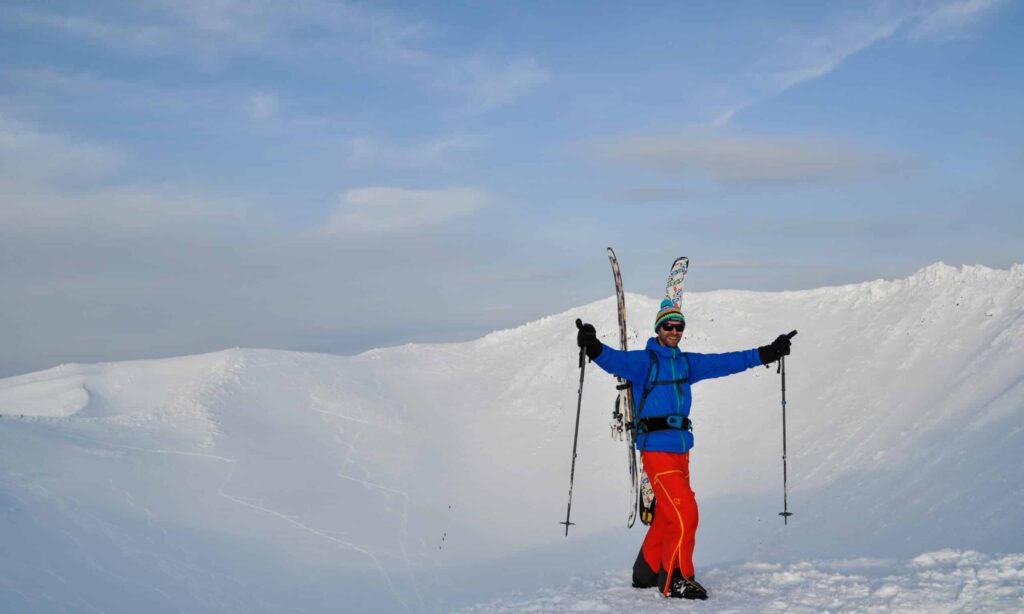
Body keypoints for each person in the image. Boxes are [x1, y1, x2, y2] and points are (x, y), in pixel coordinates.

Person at [576, 298, 793, 600]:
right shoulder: (643, 362)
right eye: (669, 325)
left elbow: (727, 362)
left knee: (668, 513)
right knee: (686, 513)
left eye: (679, 326)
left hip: (681, 451)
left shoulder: (687, 363)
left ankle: (647, 570)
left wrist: (769, 352)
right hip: (655, 449)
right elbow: (611, 359)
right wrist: (591, 343)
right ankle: (676, 577)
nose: (674, 330)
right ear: (658, 328)